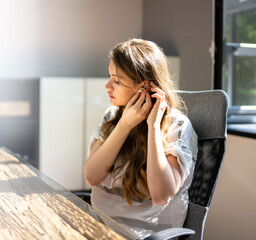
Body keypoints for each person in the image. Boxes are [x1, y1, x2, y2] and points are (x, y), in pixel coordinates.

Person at [83, 38, 198, 239]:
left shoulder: (177, 126)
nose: (107, 86)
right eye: (110, 77)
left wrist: (153, 126)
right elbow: (91, 176)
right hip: (97, 227)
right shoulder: (112, 116)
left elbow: (161, 196)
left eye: (117, 81)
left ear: (145, 88)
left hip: (140, 235)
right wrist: (124, 125)